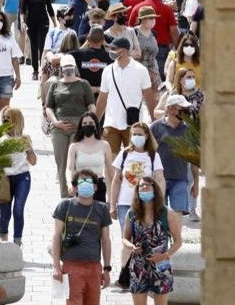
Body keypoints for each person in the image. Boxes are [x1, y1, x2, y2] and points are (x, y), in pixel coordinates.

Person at [51, 168, 113, 305]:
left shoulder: (102, 209)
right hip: (71, 266)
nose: (85, 185)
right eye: (81, 182)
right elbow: (56, 236)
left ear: (96, 187)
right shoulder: (65, 206)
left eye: (89, 182)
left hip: (94, 267)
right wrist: (55, 266)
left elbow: (105, 239)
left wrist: (107, 268)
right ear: (75, 187)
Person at [122, 177, 181, 305]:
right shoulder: (132, 213)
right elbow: (125, 238)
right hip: (138, 267)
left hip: (161, 267)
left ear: (155, 189)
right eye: (141, 187)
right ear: (137, 191)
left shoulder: (167, 213)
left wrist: (165, 255)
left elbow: (178, 241)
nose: (144, 189)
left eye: (148, 186)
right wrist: (132, 247)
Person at [44, 54, 96, 198]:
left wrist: (88, 122)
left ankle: (77, 191)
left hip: (79, 125)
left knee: (76, 161)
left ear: (75, 68)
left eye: (70, 68)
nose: (68, 70)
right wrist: (55, 122)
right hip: (59, 126)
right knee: (61, 161)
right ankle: (64, 193)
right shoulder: (55, 84)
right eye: (66, 68)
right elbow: (49, 107)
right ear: (61, 69)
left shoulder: (83, 84)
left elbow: (91, 105)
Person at [94, 37, 156, 156]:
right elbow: (102, 98)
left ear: (124, 51)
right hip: (111, 123)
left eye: (113, 49)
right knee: (110, 160)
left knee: (134, 159)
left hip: (133, 124)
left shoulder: (141, 70)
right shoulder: (107, 70)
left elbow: (148, 96)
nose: (110, 51)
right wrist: (95, 122)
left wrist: (153, 120)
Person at [109, 121, 167, 230]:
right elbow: (116, 180)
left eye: (139, 134)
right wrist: (112, 205)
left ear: (146, 136)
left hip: (146, 204)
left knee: (143, 237)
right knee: (126, 239)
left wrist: (160, 201)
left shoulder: (154, 156)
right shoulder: (124, 154)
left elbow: (160, 179)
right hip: (125, 203)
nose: (136, 137)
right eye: (134, 134)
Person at [151, 95, 198, 217]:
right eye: (182, 109)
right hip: (159, 179)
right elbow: (148, 153)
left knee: (178, 214)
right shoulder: (155, 127)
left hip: (180, 179)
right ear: (171, 109)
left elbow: (193, 159)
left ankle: (177, 237)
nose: (186, 112)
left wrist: (196, 182)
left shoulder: (189, 129)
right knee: (160, 215)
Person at [0, 108, 35, 245]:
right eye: (4, 117)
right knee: (5, 213)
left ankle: (17, 241)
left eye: (9, 117)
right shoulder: (0, 139)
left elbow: (33, 161)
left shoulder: (24, 139)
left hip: (22, 178)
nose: (6, 120)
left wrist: (29, 148)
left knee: (18, 210)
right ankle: (3, 236)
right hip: (5, 180)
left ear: (17, 120)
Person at [129, 0, 180, 78]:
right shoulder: (166, 9)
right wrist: (177, 47)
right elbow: (173, 31)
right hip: (161, 50)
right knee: (160, 80)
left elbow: (130, 28)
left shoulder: (137, 8)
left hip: (139, 50)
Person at [67, 111, 113, 203]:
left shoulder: (104, 145)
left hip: (99, 184)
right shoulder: (74, 146)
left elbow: (110, 170)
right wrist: (69, 184)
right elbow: (69, 168)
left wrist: (111, 194)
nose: (88, 125)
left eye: (91, 123)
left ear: (96, 125)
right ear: (81, 126)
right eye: (85, 123)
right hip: (81, 183)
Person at [19, 0, 56, 81]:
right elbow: (23, 9)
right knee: (34, 46)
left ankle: (43, 69)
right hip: (30, 22)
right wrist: (22, 22)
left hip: (43, 22)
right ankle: (35, 71)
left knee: (42, 45)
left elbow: (49, 8)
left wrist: (55, 23)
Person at [72, 28, 112, 95]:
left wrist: (83, 46)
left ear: (88, 39)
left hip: (83, 93)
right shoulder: (110, 57)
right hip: (103, 93)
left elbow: (63, 56)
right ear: (103, 40)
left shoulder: (78, 54)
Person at [132, 6, 162, 90]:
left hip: (155, 74)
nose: (153, 20)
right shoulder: (133, 32)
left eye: (154, 18)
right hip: (138, 74)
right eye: (150, 18)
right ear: (143, 19)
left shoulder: (153, 33)